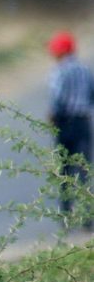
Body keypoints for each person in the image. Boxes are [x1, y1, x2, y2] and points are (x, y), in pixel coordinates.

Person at [47, 30, 94, 223]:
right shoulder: (84, 70)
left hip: (64, 123)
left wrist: (53, 115)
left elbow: (57, 98)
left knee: (64, 168)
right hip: (82, 122)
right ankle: (87, 217)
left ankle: (66, 213)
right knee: (84, 168)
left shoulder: (60, 71)